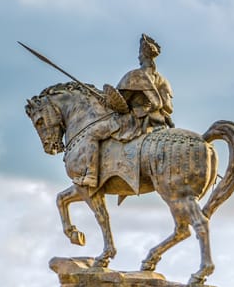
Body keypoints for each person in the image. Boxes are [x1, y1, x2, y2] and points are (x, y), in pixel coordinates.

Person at [75, 34, 174, 188]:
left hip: (133, 121)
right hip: (158, 123)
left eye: (139, 53)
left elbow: (122, 103)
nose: (138, 56)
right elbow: (168, 107)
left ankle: (92, 175)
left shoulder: (135, 76)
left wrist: (108, 102)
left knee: (92, 134)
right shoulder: (162, 80)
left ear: (143, 55)